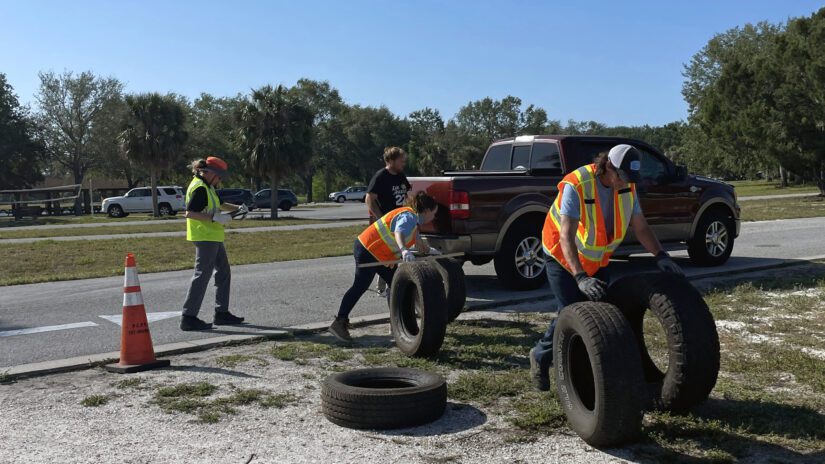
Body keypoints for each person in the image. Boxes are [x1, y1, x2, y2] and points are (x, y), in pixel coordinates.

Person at [529, 144, 684, 390]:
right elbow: (566, 236)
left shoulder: (627, 187)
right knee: (571, 311)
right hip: (561, 255)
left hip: (596, 259)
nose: (626, 183)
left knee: (601, 312)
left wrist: (661, 255)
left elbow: (641, 227)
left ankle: (591, 371)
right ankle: (541, 357)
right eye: (622, 177)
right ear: (608, 167)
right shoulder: (577, 184)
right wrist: (579, 277)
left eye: (631, 178)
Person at [329, 191, 440, 342]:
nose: (433, 217)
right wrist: (404, 250)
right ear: (426, 211)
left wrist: (428, 250)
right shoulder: (409, 217)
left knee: (397, 285)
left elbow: (417, 240)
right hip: (367, 249)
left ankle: (398, 324)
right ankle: (339, 323)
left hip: (378, 254)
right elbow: (399, 232)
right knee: (360, 285)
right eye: (433, 214)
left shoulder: (414, 222)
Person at [180, 156, 248, 331]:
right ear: (209, 173)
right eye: (218, 176)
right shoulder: (200, 188)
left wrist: (238, 208)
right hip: (205, 236)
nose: (220, 179)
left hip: (213, 236)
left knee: (223, 272)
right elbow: (189, 213)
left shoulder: (208, 186)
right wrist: (214, 217)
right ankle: (188, 317)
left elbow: (221, 204)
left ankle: (222, 313)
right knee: (202, 275)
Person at [366, 146, 412, 297]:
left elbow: (407, 195)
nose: (403, 163)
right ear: (391, 161)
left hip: (398, 221)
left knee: (395, 253)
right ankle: (383, 288)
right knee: (385, 253)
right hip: (385, 223)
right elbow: (369, 199)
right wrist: (380, 218)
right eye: (401, 160)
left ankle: (390, 286)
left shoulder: (400, 176)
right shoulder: (380, 176)